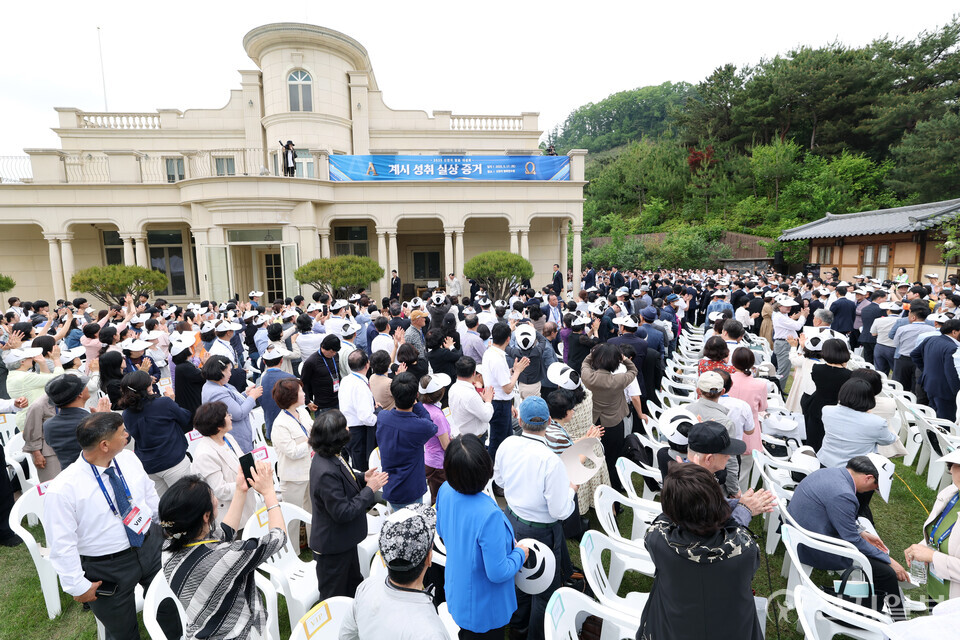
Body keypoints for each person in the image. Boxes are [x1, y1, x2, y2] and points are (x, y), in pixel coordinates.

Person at [44, 412, 181, 640]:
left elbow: (148, 495)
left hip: (150, 544)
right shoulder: (63, 490)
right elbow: (61, 543)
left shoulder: (128, 459)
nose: (128, 434)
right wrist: (77, 585)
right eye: (122, 432)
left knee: (168, 607)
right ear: (105, 445)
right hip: (107, 566)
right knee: (122, 630)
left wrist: (164, 525)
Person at [159, 464, 286, 640]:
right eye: (213, 497)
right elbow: (277, 538)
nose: (216, 500)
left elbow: (221, 536)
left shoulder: (168, 549)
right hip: (240, 634)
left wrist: (241, 491)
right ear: (205, 516)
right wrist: (269, 493)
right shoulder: (226, 556)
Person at [638, 463, 763, 640]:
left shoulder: (657, 540)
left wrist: (682, 489)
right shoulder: (745, 549)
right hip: (731, 629)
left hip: (671, 630)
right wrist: (743, 509)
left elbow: (664, 517)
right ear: (718, 504)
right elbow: (736, 532)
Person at [494, 396, 576, 640]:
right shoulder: (551, 461)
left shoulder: (507, 444)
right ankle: (534, 634)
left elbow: (498, 482)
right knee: (544, 589)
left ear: (519, 419)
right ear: (549, 422)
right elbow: (561, 511)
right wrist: (573, 488)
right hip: (541, 531)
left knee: (518, 576)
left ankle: (519, 627)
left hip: (512, 520)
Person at [788, 455, 908, 620]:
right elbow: (852, 541)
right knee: (886, 573)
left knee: (879, 563)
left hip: (800, 533)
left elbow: (838, 515)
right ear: (868, 478)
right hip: (814, 546)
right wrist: (889, 560)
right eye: (875, 487)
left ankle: (887, 612)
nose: (872, 491)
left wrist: (861, 532)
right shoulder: (844, 494)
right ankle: (898, 620)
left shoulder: (831, 473)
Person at [436, 435, 528, 640]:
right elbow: (498, 571)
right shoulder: (489, 515)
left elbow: (442, 533)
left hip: (458, 589)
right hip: (483, 605)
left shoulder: (445, 491)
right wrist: (520, 553)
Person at [309, 409, 389, 600]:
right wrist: (370, 489)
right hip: (333, 547)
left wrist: (363, 478)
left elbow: (344, 480)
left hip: (344, 542)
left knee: (353, 587)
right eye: (345, 427)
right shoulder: (325, 469)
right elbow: (343, 512)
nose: (348, 428)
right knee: (334, 597)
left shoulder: (332, 455)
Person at [341, 504, 448, 640]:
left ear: (383, 559)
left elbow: (346, 635)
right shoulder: (432, 633)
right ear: (429, 558)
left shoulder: (366, 587)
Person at [118, 370, 192, 496]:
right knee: (188, 501)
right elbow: (185, 418)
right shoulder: (164, 403)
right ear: (147, 387)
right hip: (174, 461)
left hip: (149, 466)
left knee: (165, 506)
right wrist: (172, 400)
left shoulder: (127, 414)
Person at [190, 401, 258, 528]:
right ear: (218, 426)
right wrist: (249, 481)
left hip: (246, 503)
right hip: (230, 513)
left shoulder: (228, 438)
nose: (230, 417)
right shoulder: (205, 454)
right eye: (227, 415)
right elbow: (220, 490)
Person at [905, 450, 960, 604]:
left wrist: (932, 556)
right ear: (951, 467)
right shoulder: (951, 493)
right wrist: (920, 548)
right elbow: (937, 531)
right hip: (937, 589)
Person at [580, 343, 637, 493]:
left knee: (594, 457)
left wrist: (594, 353)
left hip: (593, 423)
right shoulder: (619, 379)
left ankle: (595, 489)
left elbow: (585, 363)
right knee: (612, 459)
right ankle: (613, 492)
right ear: (615, 362)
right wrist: (624, 358)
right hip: (613, 424)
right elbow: (633, 370)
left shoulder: (588, 377)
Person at [377, 372, 438, 511]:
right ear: (417, 395)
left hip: (390, 486)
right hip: (410, 490)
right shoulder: (419, 426)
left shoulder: (383, 417)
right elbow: (431, 427)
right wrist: (417, 405)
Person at [818, 378, 898, 469]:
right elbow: (889, 440)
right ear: (869, 398)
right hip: (856, 469)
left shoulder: (827, 410)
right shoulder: (876, 422)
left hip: (825, 462)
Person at [270, 378, 314, 542]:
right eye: (300, 391)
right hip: (293, 477)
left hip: (310, 469)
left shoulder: (302, 411)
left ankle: (312, 542)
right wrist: (311, 441)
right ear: (292, 397)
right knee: (293, 517)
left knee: (312, 510)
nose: (304, 393)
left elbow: (311, 427)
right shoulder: (280, 424)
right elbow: (293, 452)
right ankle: (293, 550)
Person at [482, 322, 529, 465]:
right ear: (508, 339)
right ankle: (492, 473)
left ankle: (505, 467)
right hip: (498, 404)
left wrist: (513, 371)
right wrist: (518, 371)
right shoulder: (496, 357)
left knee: (507, 439)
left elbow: (499, 379)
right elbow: (507, 388)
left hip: (501, 403)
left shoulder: (491, 352)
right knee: (498, 442)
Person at [200, 355, 262, 452]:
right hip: (236, 438)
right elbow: (238, 413)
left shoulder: (216, 384)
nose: (231, 374)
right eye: (229, 370)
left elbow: (231, 402)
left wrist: (245, 394)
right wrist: (252, 397)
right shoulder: (217, 392)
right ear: (221, 371)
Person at [802, 338, 853, 452]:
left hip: (816, 406)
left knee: (813, 441)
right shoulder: (849, 375)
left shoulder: (817, 368)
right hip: (836, 409)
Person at [911, 318, 960, 421]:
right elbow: (951, 374)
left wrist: (926, 370)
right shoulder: (952, 348)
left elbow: (914, 354)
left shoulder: (931, 339)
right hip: (945, 391)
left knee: (935, 415)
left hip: (930, 384)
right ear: (954, 332)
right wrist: (957, 394)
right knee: (945, 420)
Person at [419, 373, 452, 504]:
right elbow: (445, 445)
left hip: (429, 458)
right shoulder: (437, 415)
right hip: (439, 464)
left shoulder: (422, 408)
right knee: (439, 499)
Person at [449, 356, 494, 441]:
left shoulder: (453, 388)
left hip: (462, 435)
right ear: (474, 373)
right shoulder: (470, 395)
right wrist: (488, 400)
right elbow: (486, 417)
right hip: (474, 439)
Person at [301, 334, 342, 413]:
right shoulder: (311, 362)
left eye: (335, 352)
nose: (334, 354)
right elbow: (303, 383)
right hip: (323, 405)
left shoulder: (335, 356)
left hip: (338, 400)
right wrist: (308, 401)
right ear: (323, 347)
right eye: (332, 351)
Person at [172, 336, 205, 419]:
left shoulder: (183, 366)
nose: (191, 348)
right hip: (191, 404)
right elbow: (202, 377)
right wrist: (206, 364)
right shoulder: (184, 367)